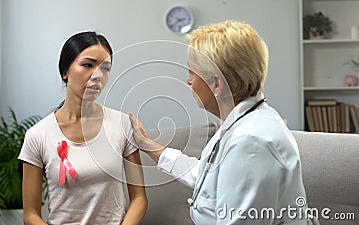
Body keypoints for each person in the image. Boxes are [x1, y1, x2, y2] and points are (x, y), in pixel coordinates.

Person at [129, 20, 314, 224]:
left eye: (191, 72)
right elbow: (207, 176)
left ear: (216, 84)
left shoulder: (251, 143)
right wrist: (148, 145)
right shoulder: (245, 121)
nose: (188, 81)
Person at [19, 31, 147, 225]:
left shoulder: (123, 125)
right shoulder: (37, 135)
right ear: (65, 71)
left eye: (105, 68)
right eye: (87, 65)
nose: (98, 75)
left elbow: (139, 199)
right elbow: (30, 215)